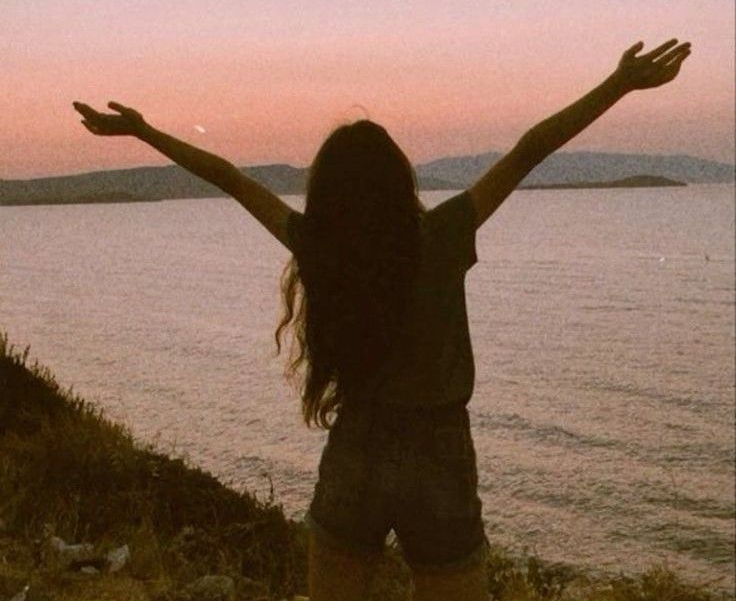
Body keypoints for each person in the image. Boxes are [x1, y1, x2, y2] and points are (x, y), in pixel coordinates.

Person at [72, 38, 691, 600]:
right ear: (399, 180)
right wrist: (617, 85)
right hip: (440, 452)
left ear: (330, 191)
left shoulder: (319, 245)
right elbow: (531, 149)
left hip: (359, 447)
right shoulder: (441, 235)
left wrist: (144, 132)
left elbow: (231, 179)